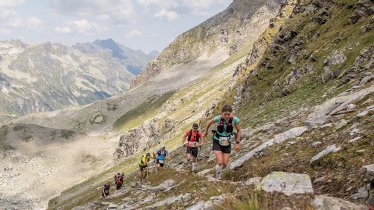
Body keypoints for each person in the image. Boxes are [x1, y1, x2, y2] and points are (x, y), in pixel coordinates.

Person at [204, 104, 241, 180]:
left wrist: (237, 143)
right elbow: (208, 123)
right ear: (222, 113)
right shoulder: (218, 118)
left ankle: (218, 169)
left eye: (228, 114)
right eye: (225, 114)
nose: (227, 116)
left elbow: (239, 131)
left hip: (227, 142)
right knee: (220, 162)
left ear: (231, 113)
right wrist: (206, 132)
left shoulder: (235, 119)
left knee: (224, 164)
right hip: (217, 141)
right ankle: (217, 178)